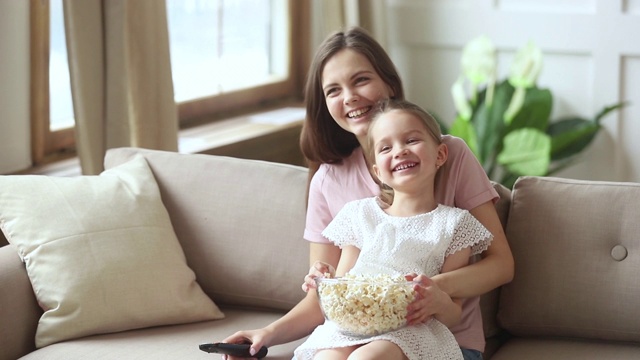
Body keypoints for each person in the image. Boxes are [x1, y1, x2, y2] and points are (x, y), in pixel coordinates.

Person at [221, 26, 513, 360]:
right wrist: (267, 335)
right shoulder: (329, 183)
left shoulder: (448, 155)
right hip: (351, 332)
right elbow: (328, 296)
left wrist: (419, 292)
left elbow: (501, 264)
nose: (349, 97)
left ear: (389, 82)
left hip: (438, 337)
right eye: (333, 90)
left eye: (361, 80)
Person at [293, 99, 493, 360]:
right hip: (352, 328)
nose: (399, 151)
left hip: (410, 330)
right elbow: (344, 284)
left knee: (366, 358)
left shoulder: (454, 224)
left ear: (440, 155)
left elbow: (454, 314)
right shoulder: (359, 214)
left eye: (411, 141)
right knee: (326, 358)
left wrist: (438, 302)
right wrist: (324, 279)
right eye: (386, 147)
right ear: (378, 172)